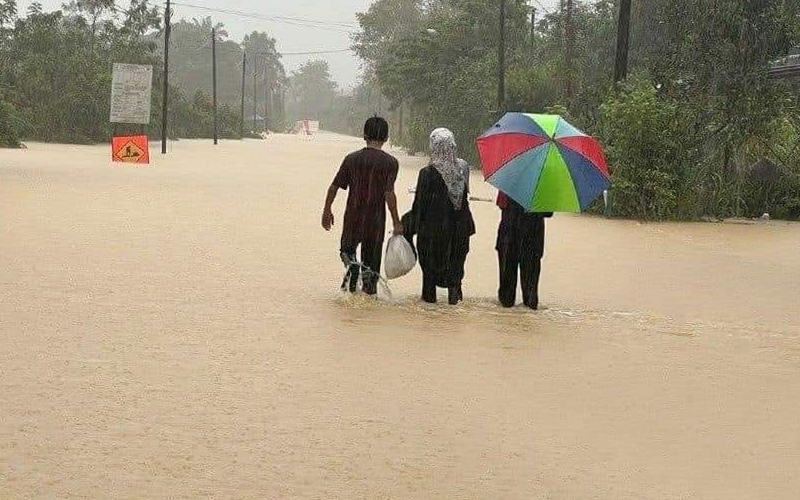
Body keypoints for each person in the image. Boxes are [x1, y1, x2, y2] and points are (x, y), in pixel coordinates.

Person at [321, 116, 403, 295]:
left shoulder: (352, 159)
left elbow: (334, 186)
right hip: (375, 221)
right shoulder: (390, 163)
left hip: (353, 217)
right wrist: (397, 222)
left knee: (346, 250)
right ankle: (368, 294)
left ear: (364, 135)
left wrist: (327, 210)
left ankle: (352, 266)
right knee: (372, 267)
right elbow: (389, 194)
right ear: (386, 138)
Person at [402, 128, 475, 305]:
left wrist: (406, 226)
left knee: (430, 275)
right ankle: (454, 310)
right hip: (460, 230)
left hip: (434, 233)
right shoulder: (464, 167)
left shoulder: (427, 173)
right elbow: (460, 197)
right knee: (455, 273)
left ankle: (430, 317)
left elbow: (420, 206)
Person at [496, 192, 552, 310]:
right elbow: (548, 212)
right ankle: (529, 310)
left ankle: (506, 313)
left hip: (509, 237)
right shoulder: (543, 186)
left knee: (506, 292)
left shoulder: (508, 180)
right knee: (530, 288)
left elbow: (501, 204)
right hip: (532, 238)